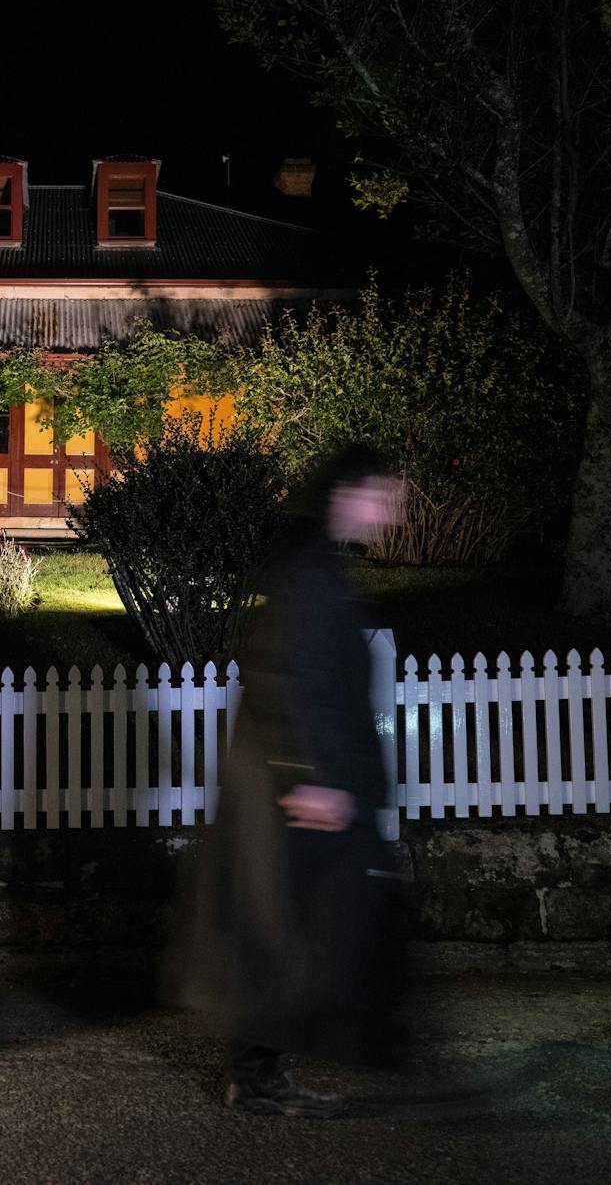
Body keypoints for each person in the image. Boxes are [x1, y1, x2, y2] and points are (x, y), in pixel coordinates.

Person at [179, 444, 408, 1117]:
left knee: (287, 926)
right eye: (382, 498)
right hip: (295, 791)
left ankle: (266, 1070)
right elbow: (283, 672)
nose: (388, 515)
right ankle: (257, 1076)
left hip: (309, 786)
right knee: (279, 926)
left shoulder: (317, 565)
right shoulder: (308, 572)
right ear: (346, 494)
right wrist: (307, 777)